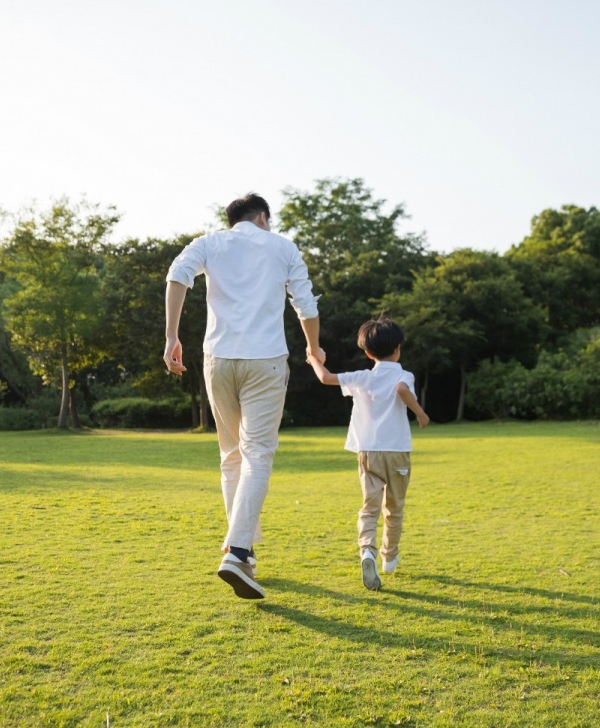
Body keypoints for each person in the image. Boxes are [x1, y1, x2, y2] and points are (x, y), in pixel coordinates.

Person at [163, 193, 323, 601]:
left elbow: (177, 276)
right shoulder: (283, 247)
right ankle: (236, 551)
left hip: (217, 359)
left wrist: (171, 338)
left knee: (231, 456)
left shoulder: (209, 243)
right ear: (263, 217)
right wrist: (314, 348)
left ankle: (244, 552)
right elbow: (303, 303)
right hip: (265, 360)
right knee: (257, 455)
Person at [305, 317, 429, 591]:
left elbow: (325, 378)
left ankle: (367, 552)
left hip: (368, 452)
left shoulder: (361, 377)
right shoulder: (403, 375)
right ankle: (390, 559)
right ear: (397, 348)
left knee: (369, 507)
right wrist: (419, 413)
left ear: (368, 352)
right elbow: (401, 389)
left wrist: (313, 358)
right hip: (397, 452)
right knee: (394, 508)